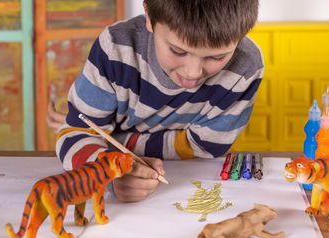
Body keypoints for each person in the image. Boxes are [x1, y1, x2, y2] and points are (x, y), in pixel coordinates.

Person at [52, 0, 263, 202]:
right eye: (178, 51)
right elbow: (74, 135)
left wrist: (109, 142)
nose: (193, 73)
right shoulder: (115, 49)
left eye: (217, 57)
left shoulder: (245, 68)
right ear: (149, 16)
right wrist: (110, 174)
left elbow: (205, 147)